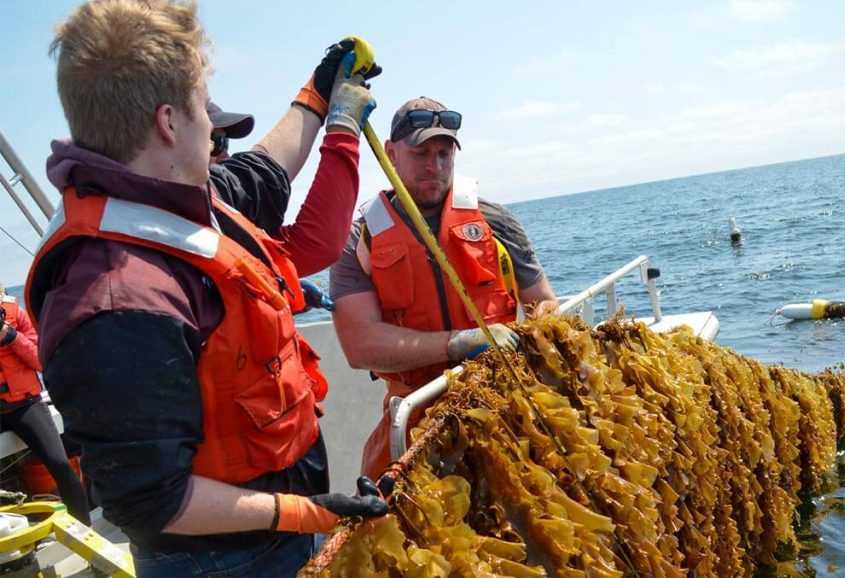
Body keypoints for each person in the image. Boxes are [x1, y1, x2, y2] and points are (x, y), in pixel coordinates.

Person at [25, 1, 387, 575]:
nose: (211, 128)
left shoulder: (172, 199)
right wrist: (305, 512)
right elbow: (151, 500)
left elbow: (266, 168)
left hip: (283, 524)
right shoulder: (117, 301)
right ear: (170, 123)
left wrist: (321, 97)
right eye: (201, 107)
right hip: (220, 561)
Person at [329, 96, 560, 479]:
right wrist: (458, 343)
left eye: (444, 153)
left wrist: (534, 334)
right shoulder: (359, 239)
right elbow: (360, 346)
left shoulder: (496, 220)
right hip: (415, 417)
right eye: (421, 153)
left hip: (507, 404)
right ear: (391, 153)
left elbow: (545, 304)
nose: (434, 166)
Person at [1, 283, 90, 524]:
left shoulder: (15, 313)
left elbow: (40, 359)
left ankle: (86, 533)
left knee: (61, 465)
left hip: (24, 405)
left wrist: (11, 336)